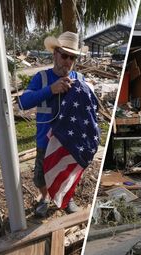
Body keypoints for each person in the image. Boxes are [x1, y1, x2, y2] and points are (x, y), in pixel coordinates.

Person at [20, 31, 89, 217]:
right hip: (45, 139)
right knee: (40, 175)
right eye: (64, 55)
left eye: (72, 57)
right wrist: (51, 89)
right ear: (55, 54)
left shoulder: (80, 80)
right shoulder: (41, 78)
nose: (68, 61)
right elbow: (23, 102)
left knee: (68, 172)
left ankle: (67, 198)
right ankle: (45, 198)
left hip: (69, 140)